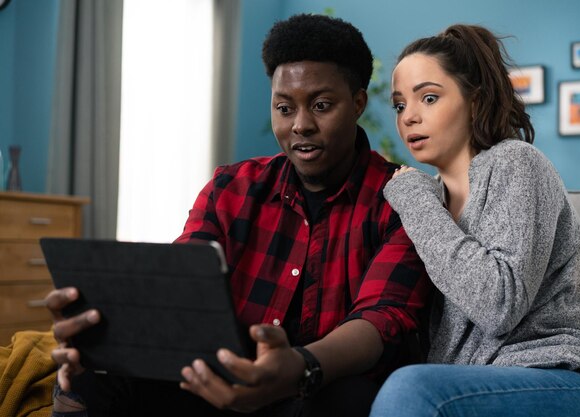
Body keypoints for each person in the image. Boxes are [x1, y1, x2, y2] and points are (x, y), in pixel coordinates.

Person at [45, 14, 431, 417]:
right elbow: (180, 287)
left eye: (321, 105)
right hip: (218, 383)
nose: (301, 125)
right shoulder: (230, 188)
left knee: (351, 398)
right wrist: (105, 339)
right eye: (285, 107)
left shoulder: (400, 200)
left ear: (357, 103)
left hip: (318, 386)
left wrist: (300, 367)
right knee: (93, 375)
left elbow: (381, 319)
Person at [368, 24, 580, 417]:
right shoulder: (431, 197)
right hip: (484, 384)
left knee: (412, 389)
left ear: (475, 100)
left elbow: (499, 305)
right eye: (400, 105)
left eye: (430, 98)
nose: (409, 117)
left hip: (572, 376)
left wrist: (414, 199)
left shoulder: (516, 164)